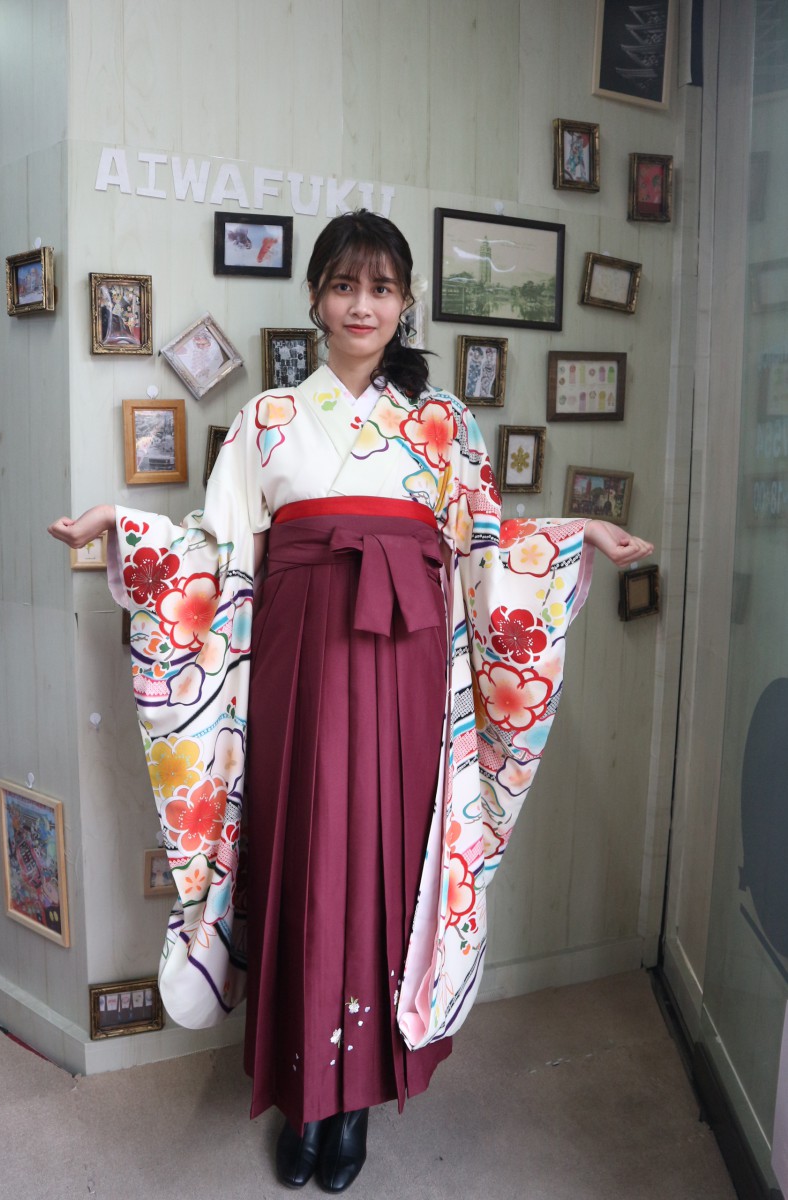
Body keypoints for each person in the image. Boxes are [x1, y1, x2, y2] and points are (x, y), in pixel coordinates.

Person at [49, 211, 651, 1193]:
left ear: (406, 303)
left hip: (410, 668)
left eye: (380, 288)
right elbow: (216, 549)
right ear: (316, 299)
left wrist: (575, 535)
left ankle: (357, 1100)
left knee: (389, 862)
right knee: (304, 853)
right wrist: (122, 527)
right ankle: (306, 1094)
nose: (361, 305)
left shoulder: (445, 424)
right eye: (343, 285)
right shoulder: (267, 420)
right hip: (297, 665)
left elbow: (488, 552)